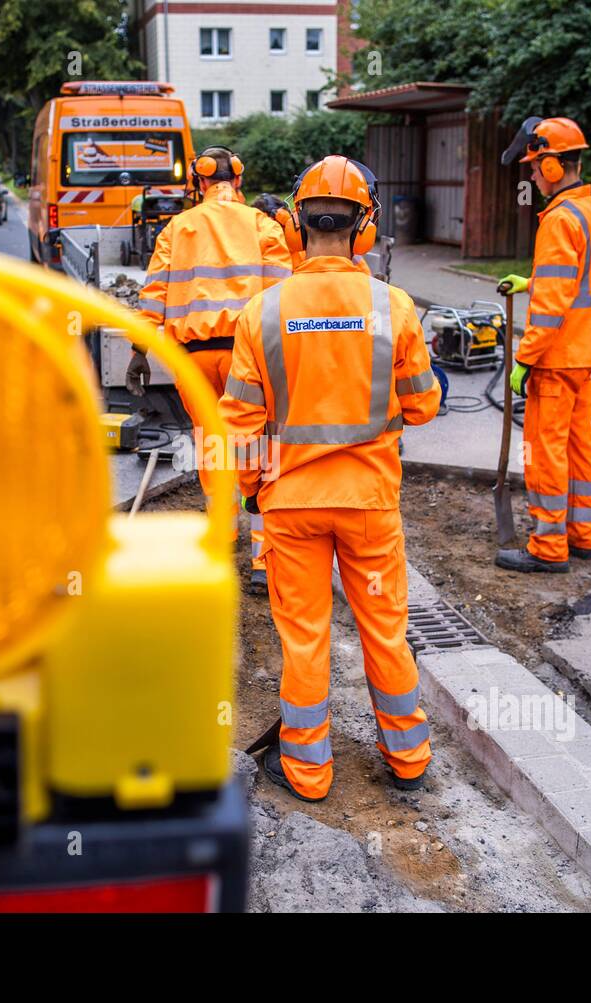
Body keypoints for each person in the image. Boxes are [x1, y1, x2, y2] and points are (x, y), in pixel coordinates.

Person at [219, 156, 441, 802]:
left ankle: (308, 770)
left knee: (306, 636)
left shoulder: (262, 313)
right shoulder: (393, 307)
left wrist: (254, 491)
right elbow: (423, 405)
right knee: (383, 628)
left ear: (294, 222)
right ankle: (408, 756)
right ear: (363, 228)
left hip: (292, 509)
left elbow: (240, 425)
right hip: (369, 505)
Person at [131, 148, 291, 593]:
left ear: (199, 183)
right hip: (250, 359)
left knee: (213, 448)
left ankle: (220, 543)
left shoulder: (177, 228)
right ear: (238, 181)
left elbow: (154, 295)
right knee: (259, 451)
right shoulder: (263, 225)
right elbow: (284, 295)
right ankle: (263, 560)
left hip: (194, 359)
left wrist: (138, 350)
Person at [494, 117, 591, 573]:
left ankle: (548, 547)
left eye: (532, 167)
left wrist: (524, 360)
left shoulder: (560, 220)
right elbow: (581, 282)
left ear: (550, 166)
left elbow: (552, 306)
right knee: (580, 445)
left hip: (555, 358)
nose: (529, 175)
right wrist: (531, 281)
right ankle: (584, 536)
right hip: (584, 356)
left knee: (546, 451)